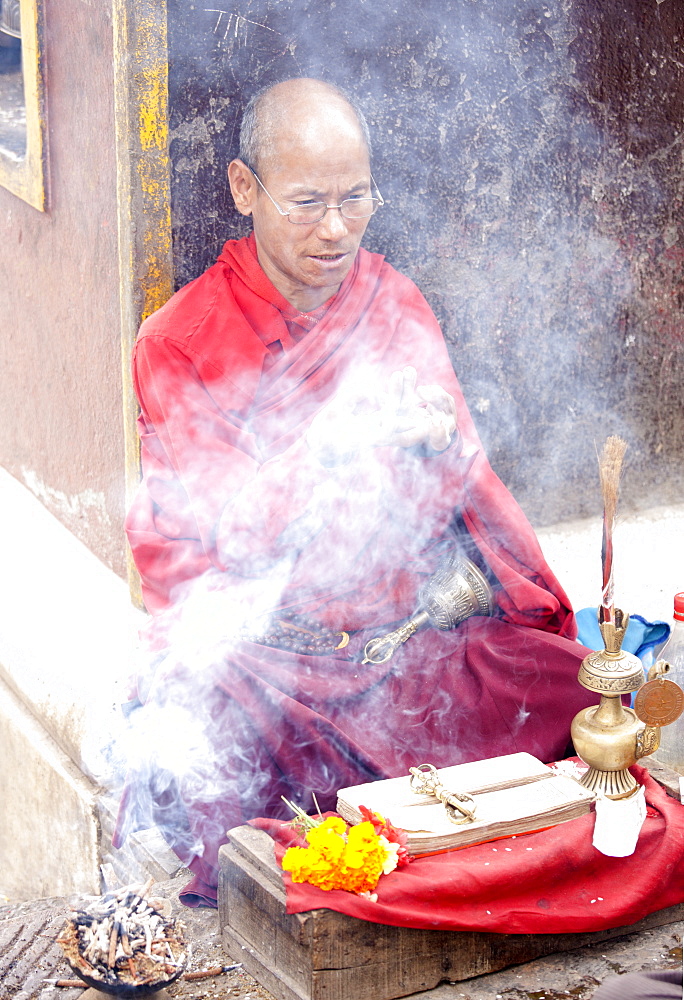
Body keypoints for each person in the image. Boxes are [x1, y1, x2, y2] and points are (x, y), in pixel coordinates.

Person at [116, 78, 596, 907]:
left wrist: (442, 445)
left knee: (575, 689)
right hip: (279, 665)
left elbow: (467, 497)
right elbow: (220, 541)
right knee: (200, 776)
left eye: (354, 198)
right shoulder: (179, 344)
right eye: (307, 202)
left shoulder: (391, 300)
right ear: (244, 190)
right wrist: (329, 449)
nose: (336, 229)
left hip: (407, 650)